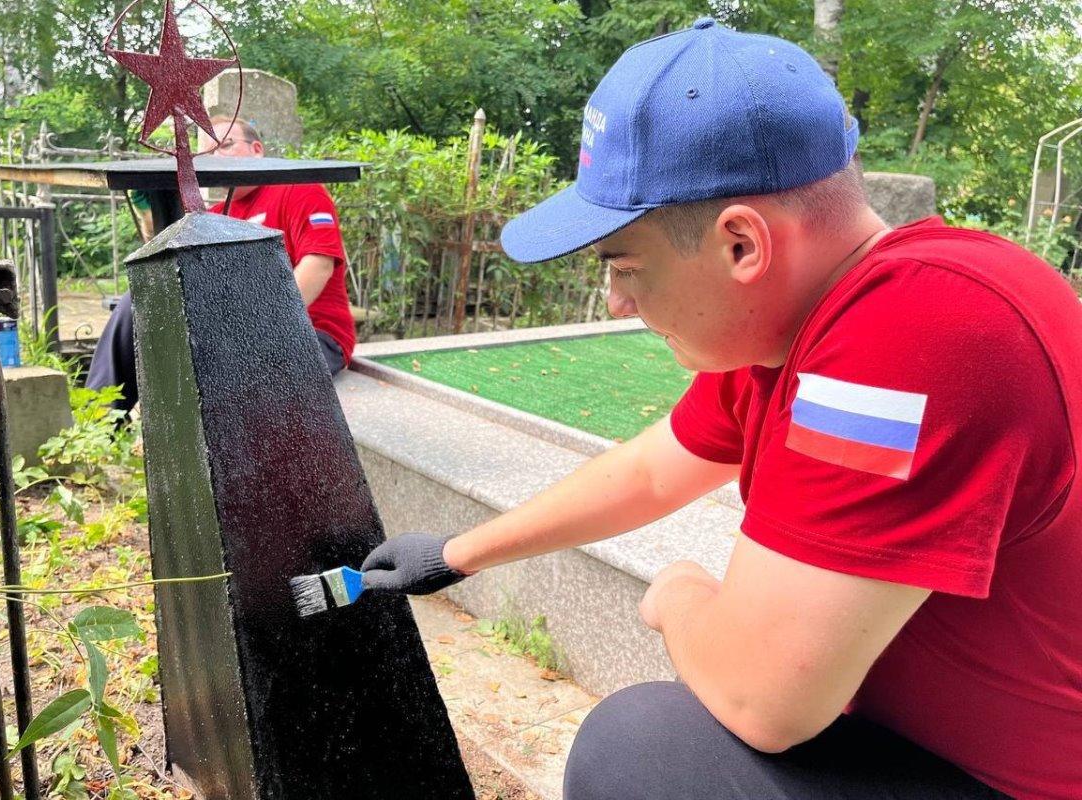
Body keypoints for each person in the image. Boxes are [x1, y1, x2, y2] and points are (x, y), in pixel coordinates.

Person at [356, 18, 1081, 800]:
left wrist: (679, 597)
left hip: (1014, 783)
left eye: (624, 266)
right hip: (911, 747)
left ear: (742, 245)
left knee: (643, 752)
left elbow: (761, 697)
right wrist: (456, 553)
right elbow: (650, 472)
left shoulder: (912, 329)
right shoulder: (789, 329)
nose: (617, 300)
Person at [85, 116, 356, 411]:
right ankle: (99, 418)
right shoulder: (214, 215)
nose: (216, 157)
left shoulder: (298, 189)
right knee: (144, 297)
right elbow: (169, 267)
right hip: (233, 335)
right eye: (207, 153)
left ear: (256, 149)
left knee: (221, 379)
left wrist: (257, 329)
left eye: (225, 145)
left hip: (311, 333)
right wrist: (149, 210)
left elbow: (318, 264)